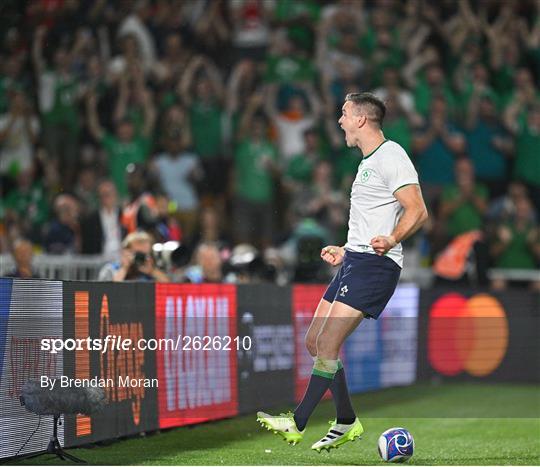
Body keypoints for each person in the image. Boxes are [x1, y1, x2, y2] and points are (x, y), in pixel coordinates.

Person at [257, 93, 428, 451]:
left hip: (375, 266)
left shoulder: (392, 155)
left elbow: (417, 210)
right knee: (314, 341)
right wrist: (346, 248)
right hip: (356, 260)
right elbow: (373, 219)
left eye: (345, 113)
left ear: (362, 120)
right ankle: (347, 419)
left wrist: (393, 237)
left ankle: (298, 421)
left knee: (328, 344)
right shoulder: (369, 161)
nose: (340, 120)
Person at [98, 231, 170, 282]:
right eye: (138, 253)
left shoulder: (152, 272)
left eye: (144, 254)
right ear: (125, 251)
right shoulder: (110, 270)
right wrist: (125, 268)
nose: (140, 258)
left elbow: (170, 288)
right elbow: (108, 292)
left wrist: (152, 272)